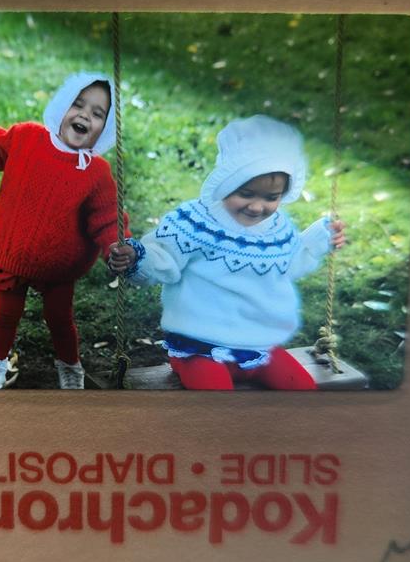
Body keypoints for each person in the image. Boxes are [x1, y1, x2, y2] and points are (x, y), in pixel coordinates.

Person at [108, 115, 346, 391]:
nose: (257, 207)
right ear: (226, 183)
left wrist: (318, 239)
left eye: (271, 198)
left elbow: (289, 263)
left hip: (257, 347)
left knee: (303, 390)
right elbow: (164, 257)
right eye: (246, 193)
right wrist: (137, 257)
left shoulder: (275, 228)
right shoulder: (194, 223)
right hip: (198, 349)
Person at [0, 72, 125, 390]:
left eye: (97, 114)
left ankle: (70, 366)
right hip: (13, 253)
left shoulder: (96, 172)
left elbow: (108, 219)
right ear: (61, 107)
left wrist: (116, 247)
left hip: (59, 264)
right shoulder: (27, 138)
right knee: (6, 313)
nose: (84, 115)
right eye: (77, 105)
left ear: (104, 130)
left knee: (59, 318)